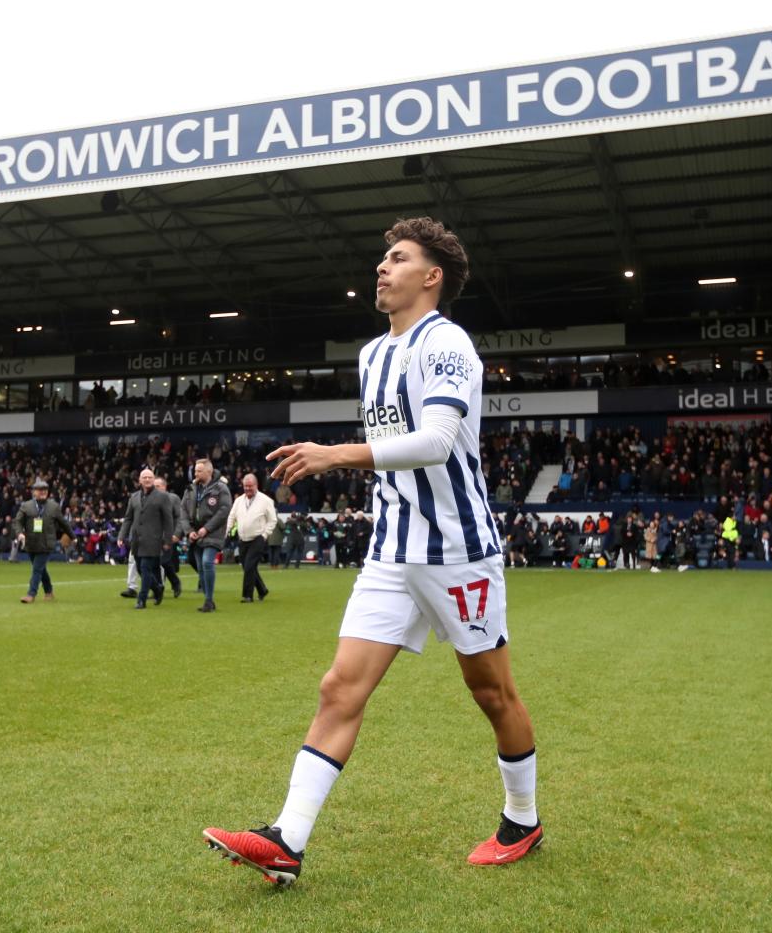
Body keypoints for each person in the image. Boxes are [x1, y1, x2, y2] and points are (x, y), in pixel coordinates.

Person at [204, 217, 541, 886]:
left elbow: (437, 441)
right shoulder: (370, 355)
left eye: (397, 258)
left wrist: (335, 454)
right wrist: (350, 461)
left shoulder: (446, 344)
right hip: (392, 551)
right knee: (339, 688)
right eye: (381, 259)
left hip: (457, 551)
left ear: (431, 275)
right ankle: (286, 842)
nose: (381, 268)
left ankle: (522, 819)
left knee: (491, 691)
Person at [118, 468, 174, 610]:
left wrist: (168, 540)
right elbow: (128, 518)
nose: (147, 480)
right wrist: (121, 536)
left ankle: (141, 599)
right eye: (144, 477)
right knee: (142, 570)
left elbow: (168, 520)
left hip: (153, 539)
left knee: (145, 567)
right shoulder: (134, 497)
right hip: (136, 540)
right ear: (140, 480)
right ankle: (157, 588)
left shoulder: (162, 497)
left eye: (150, 477)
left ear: (154, 479)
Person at [12, 478, 73, 603]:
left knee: (36, 569)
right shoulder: (26, 506)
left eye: (45, 489)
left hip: (46, 544)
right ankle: (49, 591)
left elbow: (64, 523)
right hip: (30, 543)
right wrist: (19, 534)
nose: (43, 492)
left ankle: (31, 594)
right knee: (41, 569)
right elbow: (17, 522)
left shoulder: (54, 506)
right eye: (40, 490)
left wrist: (73, 536)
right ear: (34, 492)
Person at [183, 459, 232, 612]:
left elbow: (224, 510)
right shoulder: (191, 489)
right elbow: (182, 511)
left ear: (209, 472)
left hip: (213, 533)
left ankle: (209, 600)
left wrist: (207, 528)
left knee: (206, 563)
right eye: (195, 470)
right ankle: (208, 600)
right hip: (196, 534)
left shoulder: (221, 488)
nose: (195, 473)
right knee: (201, 568)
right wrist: (188, 531)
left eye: (199, 471)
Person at [226, 472, 278, 603]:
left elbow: (273, 520)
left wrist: (265, 534)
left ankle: (247, 595)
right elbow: (232, 516)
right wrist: (227, 530)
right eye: (245, 486)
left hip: (257, 538)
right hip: (243, 539)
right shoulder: (238, 500)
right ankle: (262, 590)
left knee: (249, 566)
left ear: (256, 485)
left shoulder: (266, 501)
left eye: (250, 486)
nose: (248, 489)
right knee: (249, 567)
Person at [154, 476, 186, 597]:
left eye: (158, 486)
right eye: (154, 486)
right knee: (153, 563)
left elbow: (180, 517)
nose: (155, 488)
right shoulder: (150, 499)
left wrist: (177, 533)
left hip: (168, 536)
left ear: (164, 486)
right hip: (154, 536)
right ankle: (157, 588)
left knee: (165, 561)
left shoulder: (173, 498)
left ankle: (175, 582)